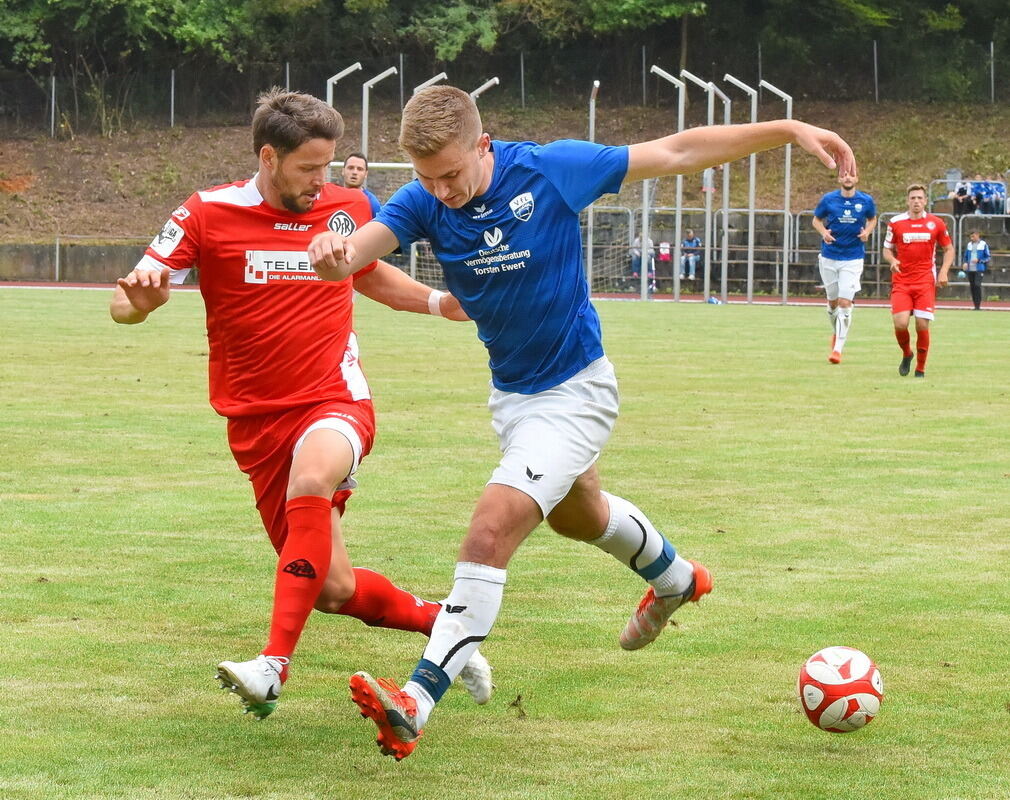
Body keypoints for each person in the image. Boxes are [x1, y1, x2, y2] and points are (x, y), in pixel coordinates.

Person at [308, 85, 856, 760]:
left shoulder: (548, 169)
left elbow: (679, 150)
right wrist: (332, 256)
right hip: (513, 398)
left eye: (452, 174)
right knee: (578, 515)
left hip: (577, 391)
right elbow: (361, 249)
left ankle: (415, 702)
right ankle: (679, 578)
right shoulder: (423, 198)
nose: (442, 191)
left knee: (491, 526)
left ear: (483, 145)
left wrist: (790, 128)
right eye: (428, 178)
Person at [109, 88, 492, 722]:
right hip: (255, 420)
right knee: (333, 589)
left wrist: (436, 302)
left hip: (334, 398)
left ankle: (271, 666)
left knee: (312, 472)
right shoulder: (207, 212)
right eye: (309, 168)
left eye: (329, 165)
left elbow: (368, 275)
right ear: (269, 156)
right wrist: (140, 305)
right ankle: (447, 630)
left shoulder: (347, 206)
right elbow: (126, 300)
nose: (325, 180)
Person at [882, 183, 955, 378]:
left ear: (925, 201)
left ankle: (920, 369)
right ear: (908, 200)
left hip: (924, 281)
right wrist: (892, 260)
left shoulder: (936, 223)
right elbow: (886, 249)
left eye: (920, 198)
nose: (916, 201)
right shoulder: (896, 223)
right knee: (900, 323)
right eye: (913, 198)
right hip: (902, 281)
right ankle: (907, 353)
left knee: (922, 324)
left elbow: (949, 249)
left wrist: (943, 271)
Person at [811, 173, 877, 364]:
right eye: (844, 175)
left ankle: (838, 350)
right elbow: (816, 220)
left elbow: (872, 219)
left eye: (852, 175)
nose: (848, 178)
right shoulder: (829, 199)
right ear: (839, 179)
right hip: (829, 257)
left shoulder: (865, 200)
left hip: (853, 258)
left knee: (845, 303)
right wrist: (824, 233)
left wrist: (867, 232)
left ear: (857, 179)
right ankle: (836, 332)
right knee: (832, 303)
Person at [341, 151, 382, 217]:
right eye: (350, 168)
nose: (354, 172)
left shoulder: (372, 203)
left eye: (359, 169)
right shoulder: (332, 199)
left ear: (366, 174)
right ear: (343, 171)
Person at [962, 229, 991, 310]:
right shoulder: (969, 245)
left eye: (973, 236)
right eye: (971, 237)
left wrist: (979, 260)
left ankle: (978, 306)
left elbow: (988, 257)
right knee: (972, 286)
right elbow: (965, 256)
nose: (972, 238)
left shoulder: (983, 244)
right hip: (970, 269)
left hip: (979, 269)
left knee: (977, 285)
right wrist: (965, 263)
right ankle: (975, 305)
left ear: (978, 235)